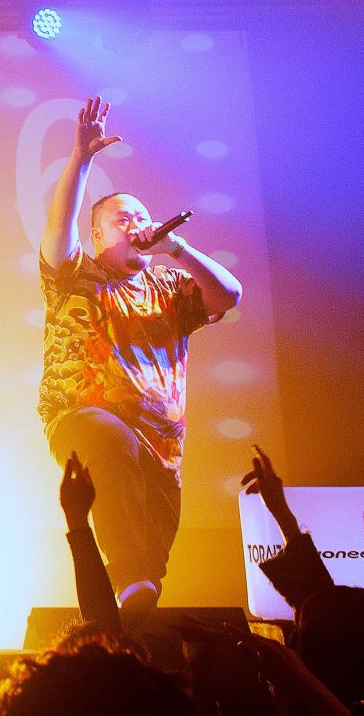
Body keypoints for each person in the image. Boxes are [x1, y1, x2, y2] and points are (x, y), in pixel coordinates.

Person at [36, 96, 242, 617]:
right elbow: (58, 229)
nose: (136, 224)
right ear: (97, 234)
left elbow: (229, 295)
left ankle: (120, 624)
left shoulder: (171, 285)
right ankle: (127, 581)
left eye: (143, 218)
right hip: (82, 420)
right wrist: (81, 159)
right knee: (110, 440)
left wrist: (177, 250)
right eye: (123, 218)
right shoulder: (76, 275)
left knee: (149, 572)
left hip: (162, 445)